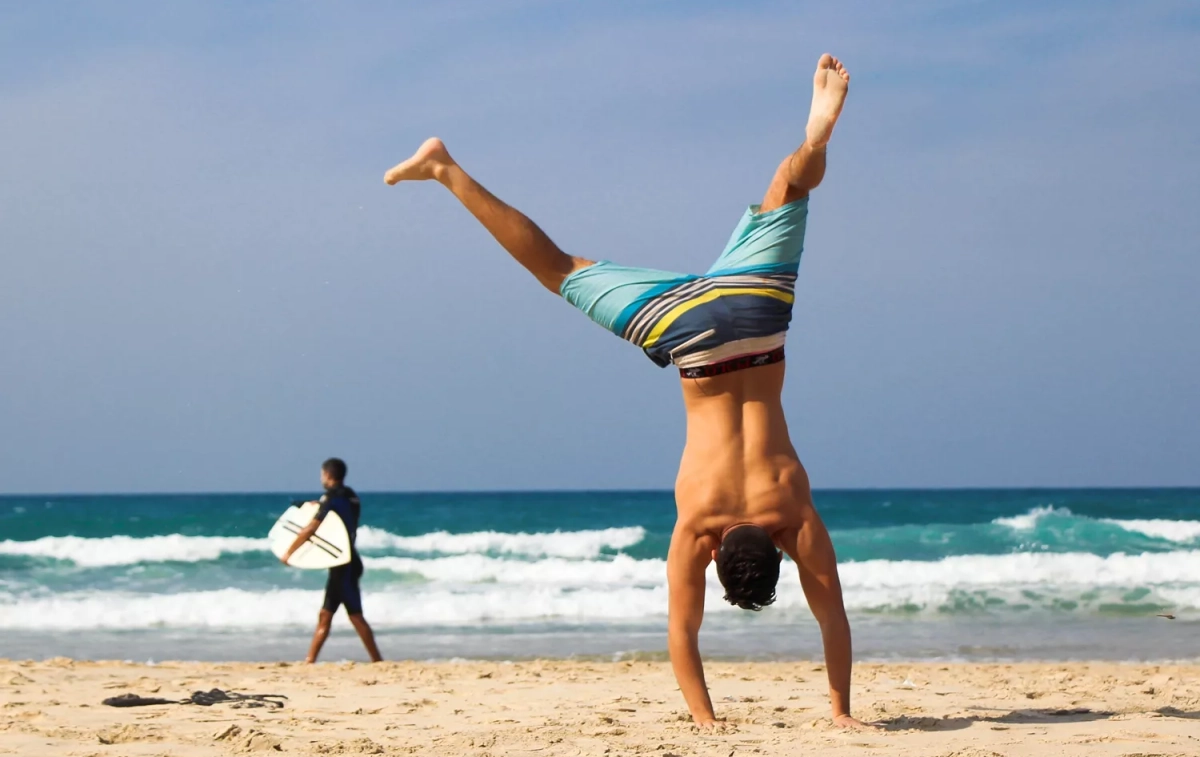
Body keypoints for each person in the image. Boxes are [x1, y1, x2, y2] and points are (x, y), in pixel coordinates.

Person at [384, 54, 864, 730]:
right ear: (717, 557)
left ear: (776, 550)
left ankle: (813, 141)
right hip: (690, 341)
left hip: (755, 316)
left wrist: (842, 708)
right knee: (558, 268)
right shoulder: (700, 525)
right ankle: (444, 169)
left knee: (791, 185)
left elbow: (835, 618)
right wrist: (707, 716)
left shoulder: (794, 513)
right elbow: (683, 631)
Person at [281, 457, 383, 664]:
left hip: (343, 566)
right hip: (348, 562)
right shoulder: (351, 497)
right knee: (326, 615)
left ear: (327, 474)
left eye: (321, 474)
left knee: (355, 615)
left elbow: (312, 528)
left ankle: (378, 661)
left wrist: (289, 552)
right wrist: (318, 504)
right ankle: (310, 660)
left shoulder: (331, 499)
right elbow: (340, 514)